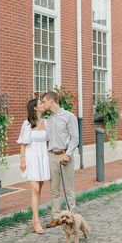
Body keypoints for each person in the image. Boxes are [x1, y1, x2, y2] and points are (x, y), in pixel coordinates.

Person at [42, 91, 79, 228]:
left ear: (52, 101)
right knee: (54, 190)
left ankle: (72, 216)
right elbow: (46, 139)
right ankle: (56, 217)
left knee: (68, 189)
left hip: (65, 156)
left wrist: (68, 154)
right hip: (52, 155)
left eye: (44, 101)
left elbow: (75, 138)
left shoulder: (69, 116)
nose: (43, 104)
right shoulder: (49, 119)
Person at [17, 98, 50, 234]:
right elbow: (23, 144)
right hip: (31, 157)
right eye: (40, 104)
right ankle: (36, 222)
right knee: (35, 189)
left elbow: (48, 141)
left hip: (42, 157)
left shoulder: (46, 123)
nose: (42, 105)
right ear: (35, 108)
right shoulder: (27, 124)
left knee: (39, 190)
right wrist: (22, 160)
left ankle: (34, 217)